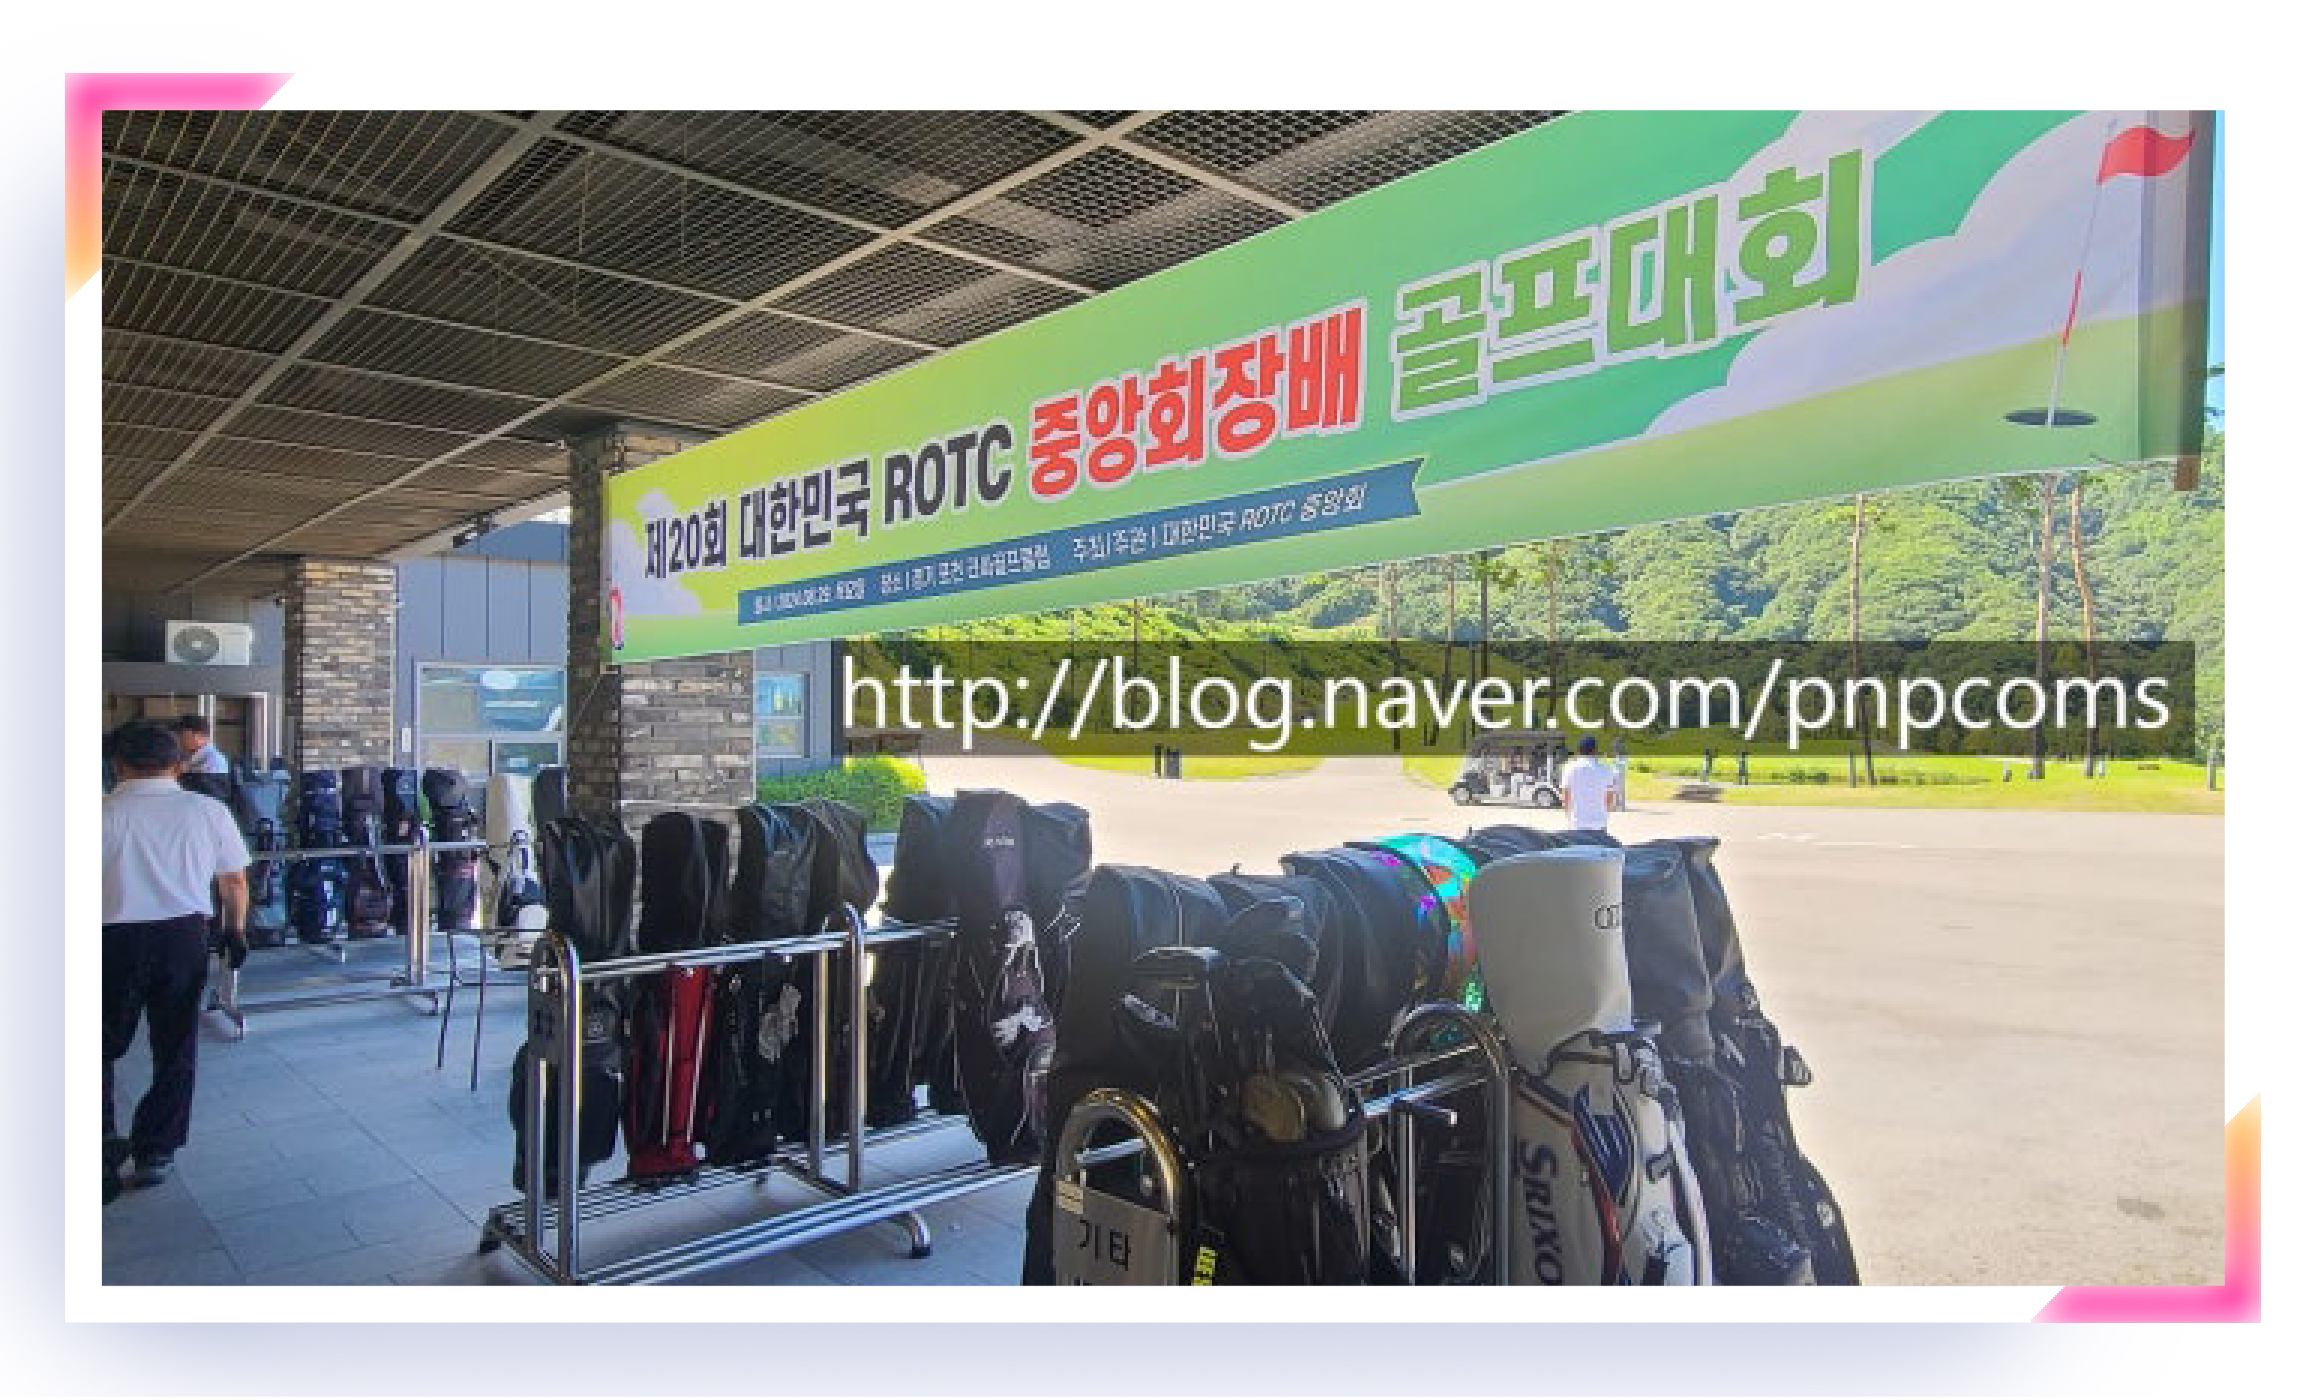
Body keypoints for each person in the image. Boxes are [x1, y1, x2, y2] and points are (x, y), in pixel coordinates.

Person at [101, 721, 249, 1201]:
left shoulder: (98, 813)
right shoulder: (208, 811)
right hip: (183, 938)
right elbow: (234, 881)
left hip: (110, 940)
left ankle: (99, 1143)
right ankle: (156, 1151)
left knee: (97, 1046)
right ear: (177, 765)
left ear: (118, 765)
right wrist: (235, 931)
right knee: (175, 1047)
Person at [1560, 735, 1622, 832]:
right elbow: (1609, 799)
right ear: (1595, 751)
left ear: (1579, 751)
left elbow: (1565, 797)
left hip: (1577, 824)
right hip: (1599, 824)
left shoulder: (1569, 768)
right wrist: (1604, 817)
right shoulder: (1606, 770)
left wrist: (1569, 819)